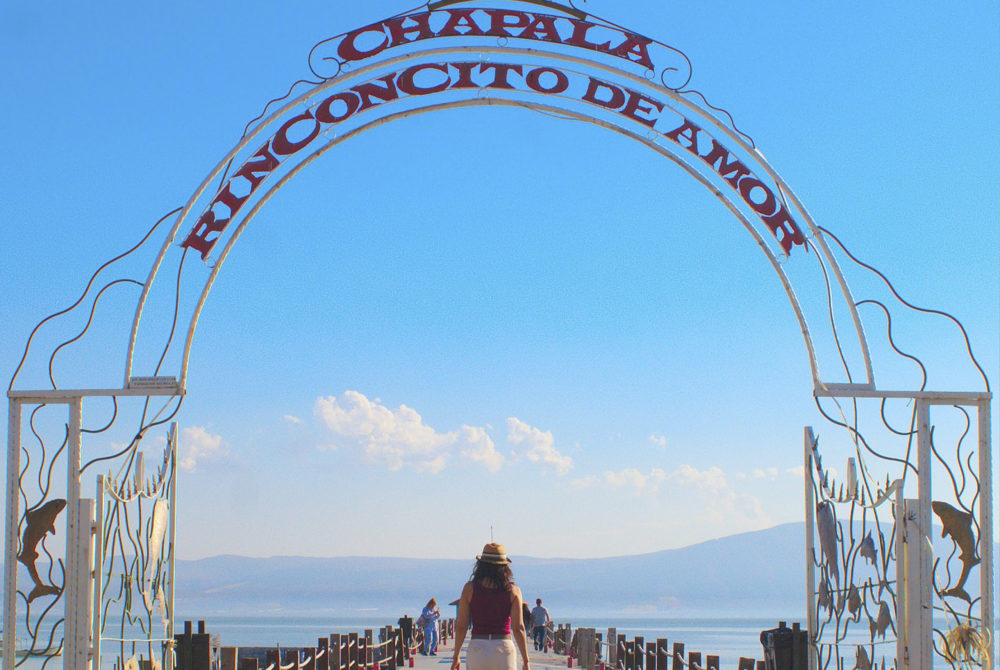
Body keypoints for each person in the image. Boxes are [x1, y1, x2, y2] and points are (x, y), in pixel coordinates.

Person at [451, 543, 531, 670]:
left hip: (478, 648)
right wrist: (526, 661)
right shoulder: (514, 591)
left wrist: (456, 656)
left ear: (480, 565)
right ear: (505, 567)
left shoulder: (469, 588)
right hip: (503, 648)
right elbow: (518, 628)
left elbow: (462, 625)